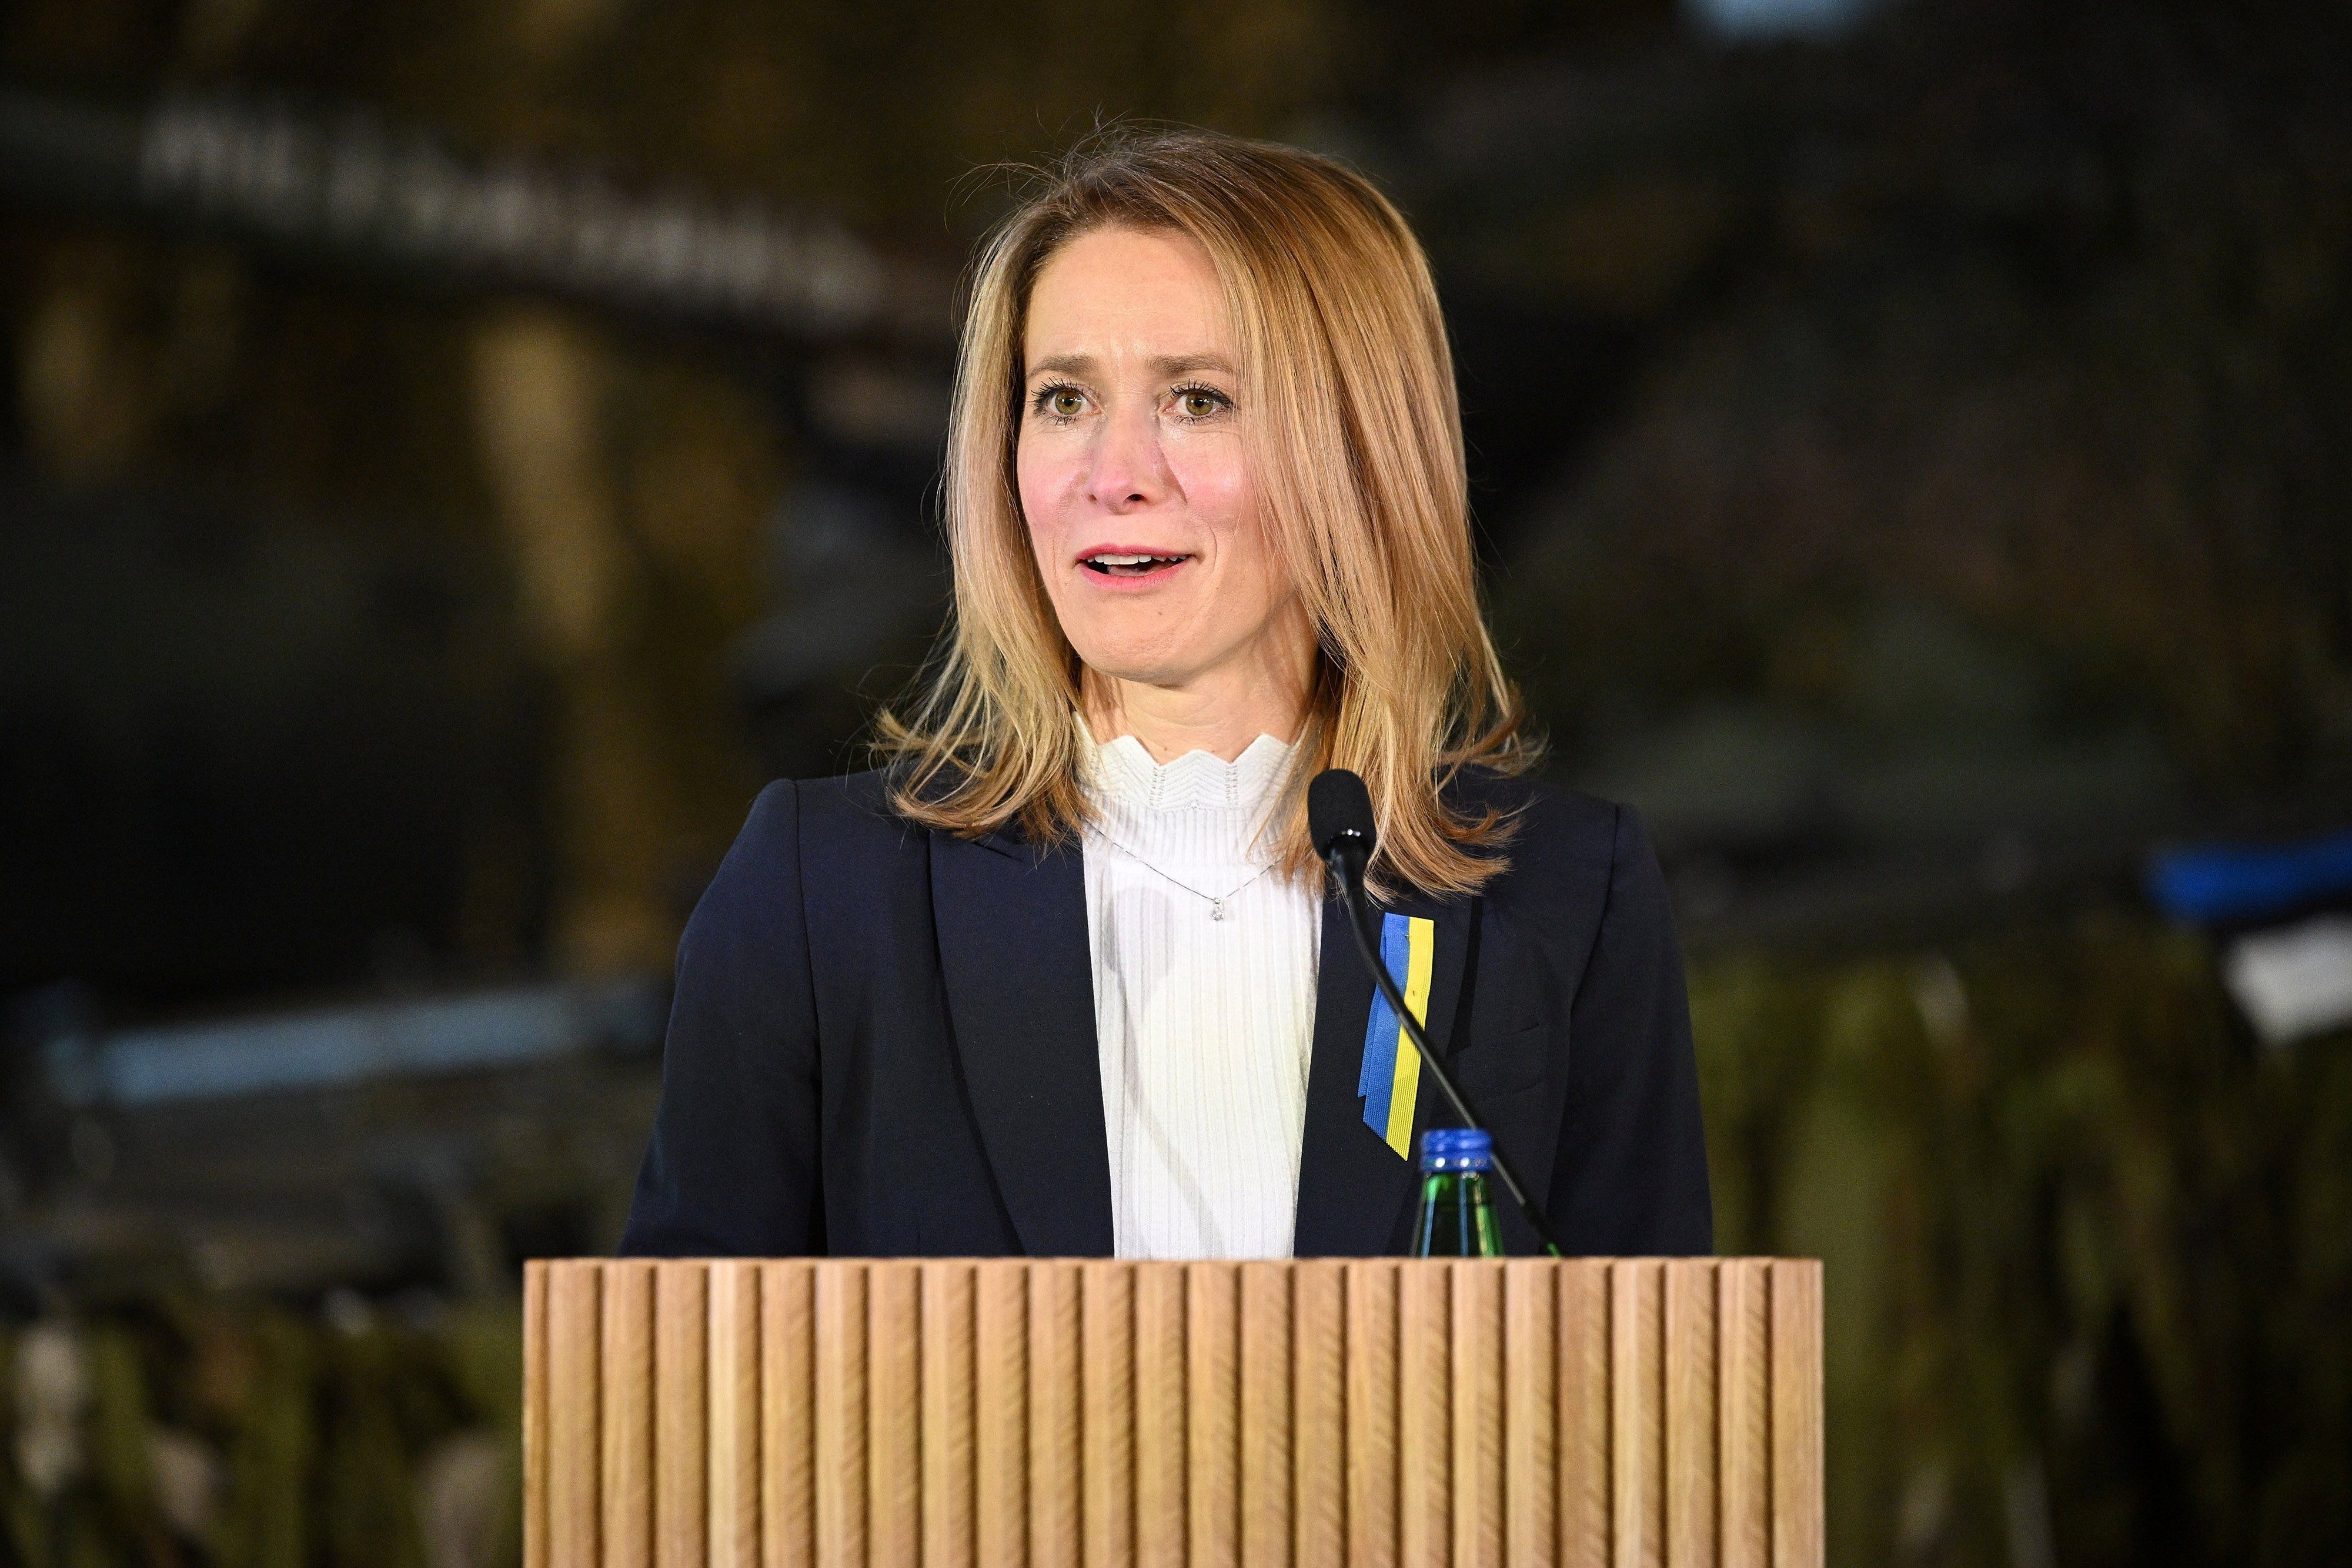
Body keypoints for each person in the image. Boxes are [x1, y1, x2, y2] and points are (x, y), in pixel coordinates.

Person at [620, 129, 1710, 1261]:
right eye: (1063, 399)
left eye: (1197, 400)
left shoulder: (1569, 899)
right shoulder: (821, 894)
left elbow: (1659, 1401)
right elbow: (678, 1397)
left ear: (1360, 447)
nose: (1113, 474)